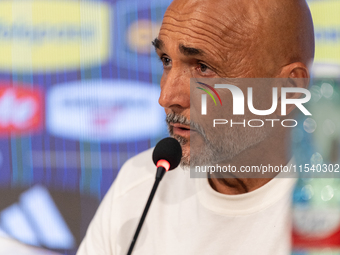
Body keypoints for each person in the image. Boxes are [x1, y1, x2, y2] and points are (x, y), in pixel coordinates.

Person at [77, 0, 315, 254]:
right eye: (166, 60)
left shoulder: (325, 215)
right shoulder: (139, 185)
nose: (167, 98)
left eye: (203, 68)